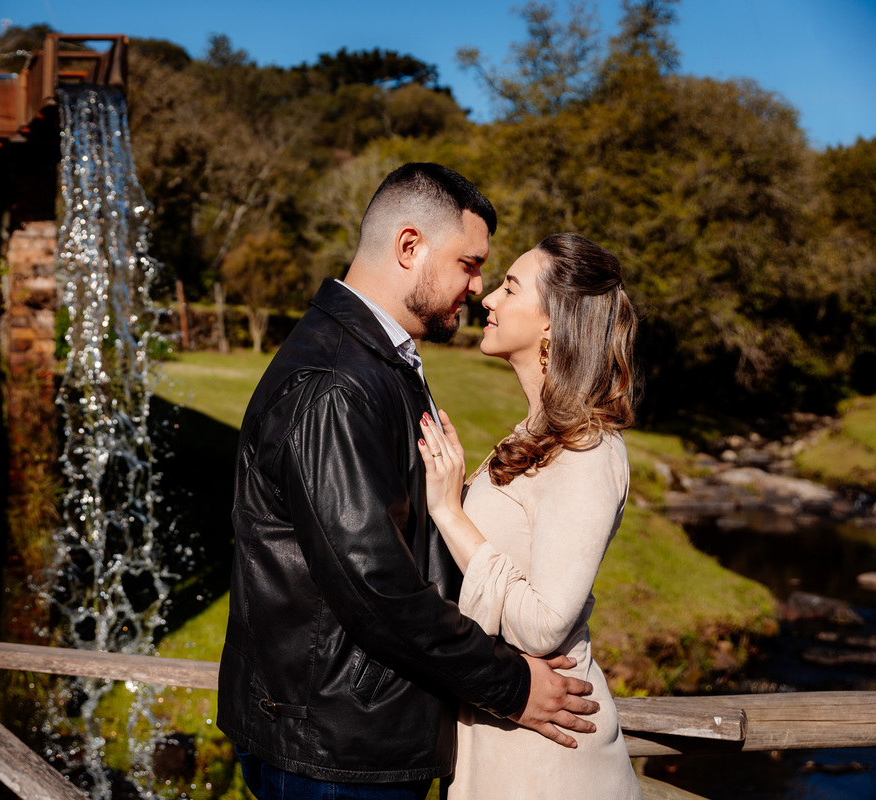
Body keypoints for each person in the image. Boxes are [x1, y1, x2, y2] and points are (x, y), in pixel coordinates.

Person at [217, 164, 600, 800]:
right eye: (470, 264)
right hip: (337, 748)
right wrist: (511, 684)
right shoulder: (338, 385)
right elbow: (376, 588)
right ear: (409, 247)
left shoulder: (376, 358)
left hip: (350, 732)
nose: (478, 289)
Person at [417, 232, 643, 799]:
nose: (488, 298)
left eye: (510, 287)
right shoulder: (534, 435)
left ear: (552, 323)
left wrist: (449, 511)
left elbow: (545, 624)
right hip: (504, 733)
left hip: (550, 760)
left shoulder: (589, 451)